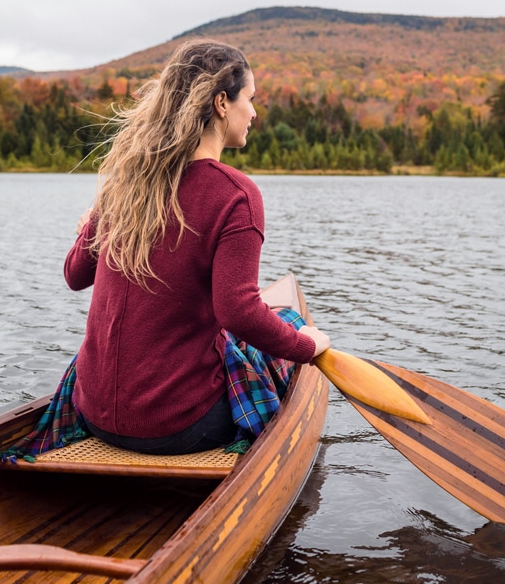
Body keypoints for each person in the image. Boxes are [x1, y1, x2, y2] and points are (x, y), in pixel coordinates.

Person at [64, 39, 330, 455]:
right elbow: (238, 311)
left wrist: (88, 230)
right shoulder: (237, 194)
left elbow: (74, 275)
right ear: (222, 103)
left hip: (91, 412)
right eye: (250, 99)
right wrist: (306, 347)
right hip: (176, 427)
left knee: (247, 333)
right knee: (289, 325)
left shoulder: (126, 184)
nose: (255, 112)